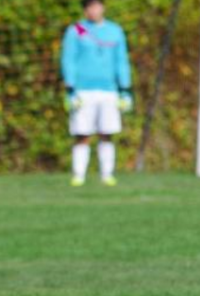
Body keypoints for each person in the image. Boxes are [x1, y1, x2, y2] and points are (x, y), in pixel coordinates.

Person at [61, 0, 132, 187]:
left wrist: (125, 89)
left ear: (103, 7)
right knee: (82, 134)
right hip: (82, 91)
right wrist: (70, 89)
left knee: (107, 133)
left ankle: (107, 174)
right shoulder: (77, 30)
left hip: (109, 90)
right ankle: (78, 176)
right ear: (85, 10)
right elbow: (69, 59)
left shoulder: (115, 31)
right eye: (90, 6)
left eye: (97, 5)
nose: (94, 10)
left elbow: (121, 60)